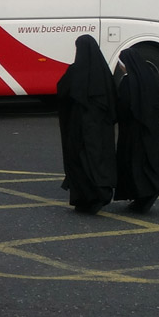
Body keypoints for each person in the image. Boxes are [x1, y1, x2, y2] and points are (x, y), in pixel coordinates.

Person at [57, 35, 118, 214]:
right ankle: (101, 192)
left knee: (79, 159)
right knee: (98, 159)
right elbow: (114, 101)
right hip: (101, 127)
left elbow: (62, 92)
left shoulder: (75, 72)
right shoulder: (104, 73)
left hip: (79, 125)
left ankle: (84, 196)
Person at [113, 48, 159, 213]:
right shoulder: (151, 78)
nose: (121, 67)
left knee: (135, 164)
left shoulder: (128, 82)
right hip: (153, 131)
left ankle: (140, 196)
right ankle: (152, 191)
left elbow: (123, 107)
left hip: (133, 133)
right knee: (151, 162)